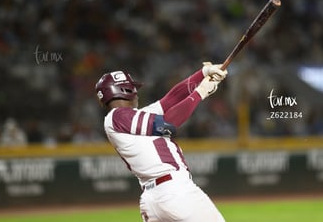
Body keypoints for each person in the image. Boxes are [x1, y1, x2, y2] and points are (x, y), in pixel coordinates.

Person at [95, 62, 227, 222]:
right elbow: (166, 123)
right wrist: (200, 92)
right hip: (174, 192)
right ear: (125, 90)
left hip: (154, 198)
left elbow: (172, 98)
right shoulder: (117, 116)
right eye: (133, 88)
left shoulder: (134, 118)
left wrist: (203, 73)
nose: (136, 92)